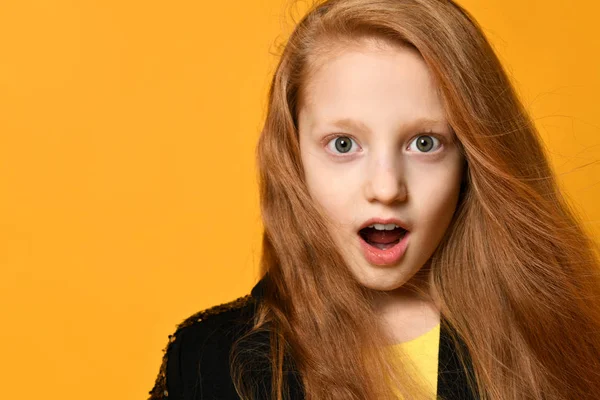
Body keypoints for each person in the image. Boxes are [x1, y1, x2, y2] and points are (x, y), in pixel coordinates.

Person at [148, 0, 600, 399]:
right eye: (344, 144)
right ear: (292, 156)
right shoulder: (207, 362)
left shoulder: (566, 340)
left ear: (471, 160)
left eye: (425, 143)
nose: (386, 188)